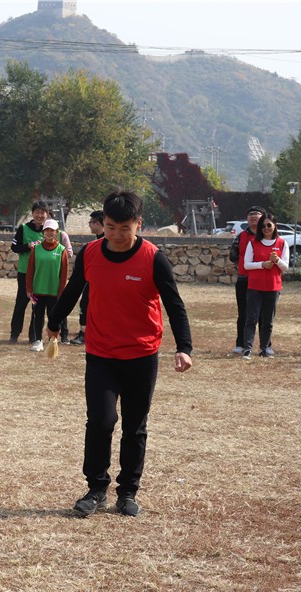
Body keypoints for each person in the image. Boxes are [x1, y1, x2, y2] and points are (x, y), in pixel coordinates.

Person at [46, 190, 193, 518]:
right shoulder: (91, 253)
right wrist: (54, 322)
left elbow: (175, 305)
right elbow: (72, 290)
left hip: (141, 355)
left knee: (134, 426)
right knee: (101, 420)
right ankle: (96, 488)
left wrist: (184, 348)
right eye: (111, 227)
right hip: (101, 353)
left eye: (125, 228)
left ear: (138, 224)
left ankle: (127, 491)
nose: (116, 235)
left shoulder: (153, 258)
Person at [10, 201, 72, 344]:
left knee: (45, 306)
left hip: (47, 275)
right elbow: (14, 247)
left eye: (42, 212)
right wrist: (27, 246)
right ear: (32, 213)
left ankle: (36, 337)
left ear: (47, 214)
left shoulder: (55, 232)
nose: (39, 215)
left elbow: (64, 252)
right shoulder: (24, 228)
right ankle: (14, 334)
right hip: (26, 272)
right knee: (21, 304)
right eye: (37, 212)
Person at [242, 213, 288, 359]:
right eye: (263, 226)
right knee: (251, 319)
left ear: (274, 226)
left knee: (268, 320)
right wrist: (262, 264)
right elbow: (246, 265)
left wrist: (277, 260)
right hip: (255, 286)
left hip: (273, 287)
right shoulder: (253, 243)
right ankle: (247, 349)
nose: (266, 228)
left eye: (269, 225)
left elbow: (285, 267)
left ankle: (264, 349)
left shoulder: (282, 243)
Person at [26, 219, 69, 352]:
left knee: (53, 317)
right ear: (43, 232)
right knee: (38, 316)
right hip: (38, 290)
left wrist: (61, 291)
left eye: (52, 230)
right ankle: (38, 340)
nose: (49, 233)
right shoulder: (36, 249)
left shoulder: (61, 250)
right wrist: (29, 289)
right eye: (47, 230)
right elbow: (30, 270)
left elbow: (64, 273)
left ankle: (52, 341)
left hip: (54, 291)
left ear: (57, 232)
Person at [229, 206, 265, 354]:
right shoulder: (241, 236)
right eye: (250, 214)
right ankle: (241, 344)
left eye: (257, 214)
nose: (253, 216)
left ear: (263, 217)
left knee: (264, 314)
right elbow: (233, 255)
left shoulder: (268, 236)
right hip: (244, 279)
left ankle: (265, 346)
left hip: (263, 280)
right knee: (243, 313)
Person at [69, 210, 105, 346]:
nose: (89, 225)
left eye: (91, 222)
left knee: (87, 304)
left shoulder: (105, 242)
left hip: (98, 282)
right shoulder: (96, 242)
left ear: (98, 223)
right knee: (85, 304)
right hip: (92, 281)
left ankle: (85, 334)